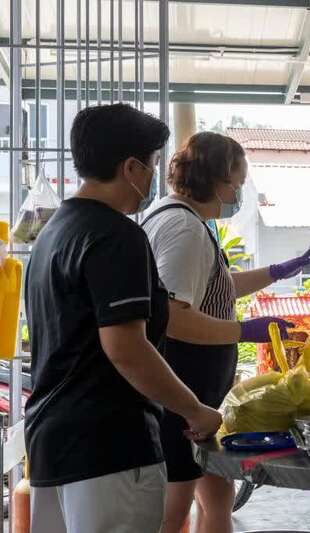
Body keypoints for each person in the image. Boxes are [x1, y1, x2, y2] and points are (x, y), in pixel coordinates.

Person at [24, 104, 222, 533]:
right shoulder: (117, 236)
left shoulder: (53, 232)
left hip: (50, 445)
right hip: (109, 450)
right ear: (131, 167)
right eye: (152, 165)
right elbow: (126, 348)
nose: (153, 178)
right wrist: (195, 411)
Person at [141, 131, 310, 533]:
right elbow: (174, 316)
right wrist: (244, 331)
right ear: (216, 180)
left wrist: (275, 273)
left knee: (217, 495)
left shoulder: (181, 217)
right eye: (237, 183)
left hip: (199, 386)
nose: (238, 193)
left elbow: (212, 287)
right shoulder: (183, 229)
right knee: (176, 506)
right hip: (183, 384)